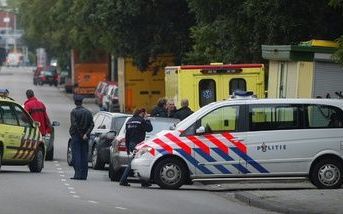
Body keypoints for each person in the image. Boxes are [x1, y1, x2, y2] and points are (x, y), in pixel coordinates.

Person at [120, 108, 153, 187]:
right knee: (133, 162)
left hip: (131, 144)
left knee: (138, 162)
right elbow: (150, 129)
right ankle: (123, 180)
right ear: (142, 113)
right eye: (145, 113)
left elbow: (127, 136)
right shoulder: (141, 121)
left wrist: (127, 148)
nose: (145, 115)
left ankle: (143, 182)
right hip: (139, 145)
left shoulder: (129, 121)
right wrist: (147, 119)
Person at [69, 95, 94, 180]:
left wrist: (81, 134)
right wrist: (86, 134)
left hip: (76, 136)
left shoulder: (74, 112)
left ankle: (77, 175)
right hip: (85, 137)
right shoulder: (88, 112)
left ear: (75, 102)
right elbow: (92, 124)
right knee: (84, 156)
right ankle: (84, 175)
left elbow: (74, 125)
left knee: (76, 156)